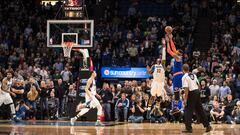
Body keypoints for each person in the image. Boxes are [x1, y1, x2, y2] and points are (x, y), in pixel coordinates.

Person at [181, 64, 212, 133]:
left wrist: (185, 99)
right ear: (188, 69)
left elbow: (186, 88)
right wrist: (198, 93)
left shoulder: (184, 77)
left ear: (182, 70)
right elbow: (198, 85)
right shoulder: (194, 75)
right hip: (197, 92)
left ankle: (188, 128)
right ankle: (207, 126)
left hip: (191, 93)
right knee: (200, 110)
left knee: (188, 110)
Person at [166, 34, 184, 100]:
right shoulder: (178, 57)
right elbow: (173, 48)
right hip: (177, 76)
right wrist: (171, 39)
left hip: (178, 76)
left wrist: (167, 42)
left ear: (178, 53)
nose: (175, 51)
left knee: (177, 93)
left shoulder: (177, 57)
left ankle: (180, 105)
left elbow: (169, 50)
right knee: (178, 93)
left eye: (177, 51)